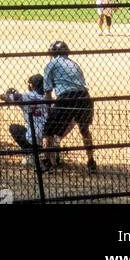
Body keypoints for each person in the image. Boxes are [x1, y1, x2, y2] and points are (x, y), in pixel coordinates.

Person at [42, 41, 97, 171]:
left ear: (53, 53)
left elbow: (48, 92)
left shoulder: (51, 64)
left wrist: (49, 110)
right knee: (84, 130)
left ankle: (46, 162)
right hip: (84, 97)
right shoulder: (74, 64)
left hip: (66, 97)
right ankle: (91, 161)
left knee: (49, 131)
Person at [5, 73, 50, 166]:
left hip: (31, 140)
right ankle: (46, 155)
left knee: (14, 128)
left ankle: (31, 155)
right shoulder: (47, 98)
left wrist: (8, 93)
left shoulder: (27, 96)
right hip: (46, 138)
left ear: (32, 86)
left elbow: (5, 97)